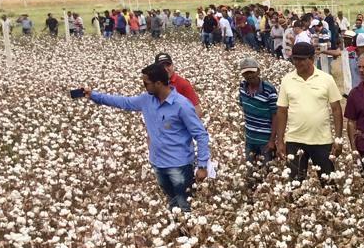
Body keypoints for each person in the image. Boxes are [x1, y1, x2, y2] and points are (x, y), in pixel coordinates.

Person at [80, 64, 210, 212]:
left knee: (184, 202)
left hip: (179, 166)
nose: (144, 86)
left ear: (158, 83)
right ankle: (178, 227)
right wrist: (93, 95)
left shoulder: (182, 105)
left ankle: (186, 231)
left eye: (146, 83)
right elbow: (123, 102)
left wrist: (202, 165)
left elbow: (200, 134)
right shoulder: (147, 100)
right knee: (172, 200)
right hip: (158, 163)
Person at [272, 42, 344, 181]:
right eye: (295, 59)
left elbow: (336, 109)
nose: (297, 62)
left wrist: (338, 139)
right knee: (294, 183)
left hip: (322, 140)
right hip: (294, 139)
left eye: (301, 59)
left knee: (328, 182)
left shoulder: (326, 79)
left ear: (312, 59)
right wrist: (280, 141)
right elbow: (282, 111)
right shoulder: (287, 80)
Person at [237, 57, 278, 164]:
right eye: (246, 73)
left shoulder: (269, 89)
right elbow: (243, 106)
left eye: (252, 72)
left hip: (265, 141)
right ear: (242, 75)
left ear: (258, 71)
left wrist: (272, 141)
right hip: (250, 139)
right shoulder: (242, 87)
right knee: (250, 172)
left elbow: (275, 115)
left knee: (266, 172)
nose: (249, 75)